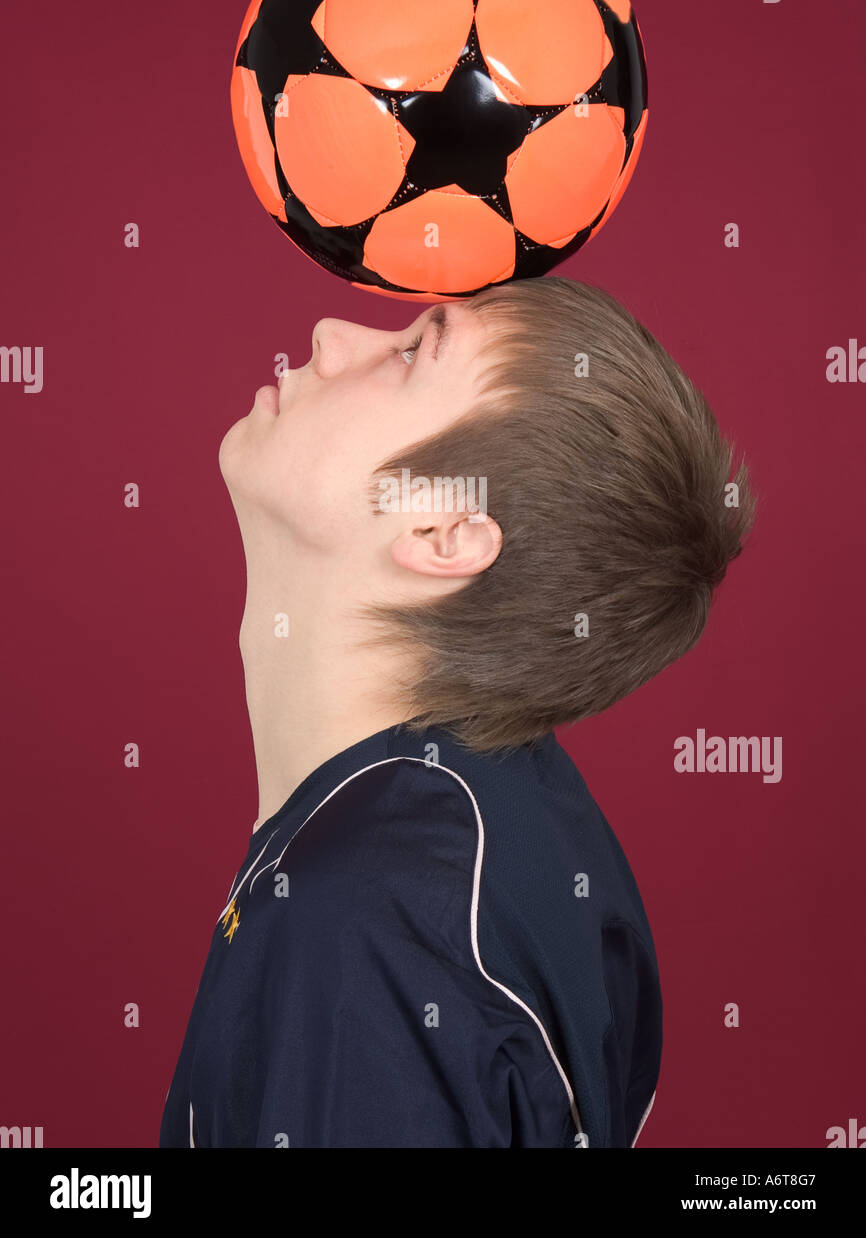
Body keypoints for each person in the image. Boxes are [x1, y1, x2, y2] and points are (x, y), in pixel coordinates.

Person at [159, 276, 755, 1148]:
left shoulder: (367, 936)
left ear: (444, 533)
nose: (330, 334)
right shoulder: (501, 823)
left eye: (410, 354)